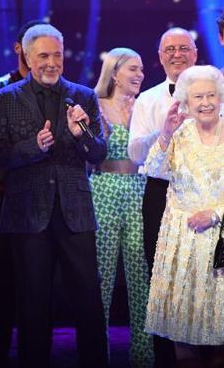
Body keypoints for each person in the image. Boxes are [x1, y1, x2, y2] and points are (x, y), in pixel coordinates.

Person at [0, 24, 108, 368]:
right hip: (28, 214)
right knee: (33, 304)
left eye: (57, 54)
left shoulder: (83, 96)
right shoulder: (6, 97)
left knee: (88, 300)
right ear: (27, 57)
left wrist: (81, 134)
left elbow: (98, 153)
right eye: (43, 56)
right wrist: (33, 147)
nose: (52, 63)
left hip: (76, 213)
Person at [128, 27, 224, 367]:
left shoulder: (222, 94)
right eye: (169, 49)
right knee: (165, 277)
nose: (176, 54)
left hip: (210, 191)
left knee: (211, 274)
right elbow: (135, 154)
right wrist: (164, 132)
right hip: (164, 192)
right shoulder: (148, 99)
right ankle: (168, 358)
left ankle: (216, 356)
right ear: (160, 57)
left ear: (195, 53)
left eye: (183, 48)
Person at [144, 65, 224, 358]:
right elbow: (152, 169)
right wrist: (165, 134)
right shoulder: (178, 134)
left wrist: (215, 214)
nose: (206, 102)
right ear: (187, 101)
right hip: (182, 242)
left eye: (211, 95)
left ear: (222, 98)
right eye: (198, 97)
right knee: (183, 332)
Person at [0, 19, 47, 368]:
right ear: (21, 49)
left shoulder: (57, 88)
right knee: (5, 282)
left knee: (41, 283)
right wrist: (29, 146)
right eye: (36, 48)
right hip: (8, 194)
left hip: (48, 195)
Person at [91, 47, 153, 367]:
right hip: (103, 190)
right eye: (133, 69)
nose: (140, 74)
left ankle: (144, 356)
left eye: (141, 69)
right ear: (115, 73)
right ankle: (96, 352)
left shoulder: (145, 107)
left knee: (141, 275)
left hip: (139, 190)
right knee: (101, 275)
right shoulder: (94, 104)